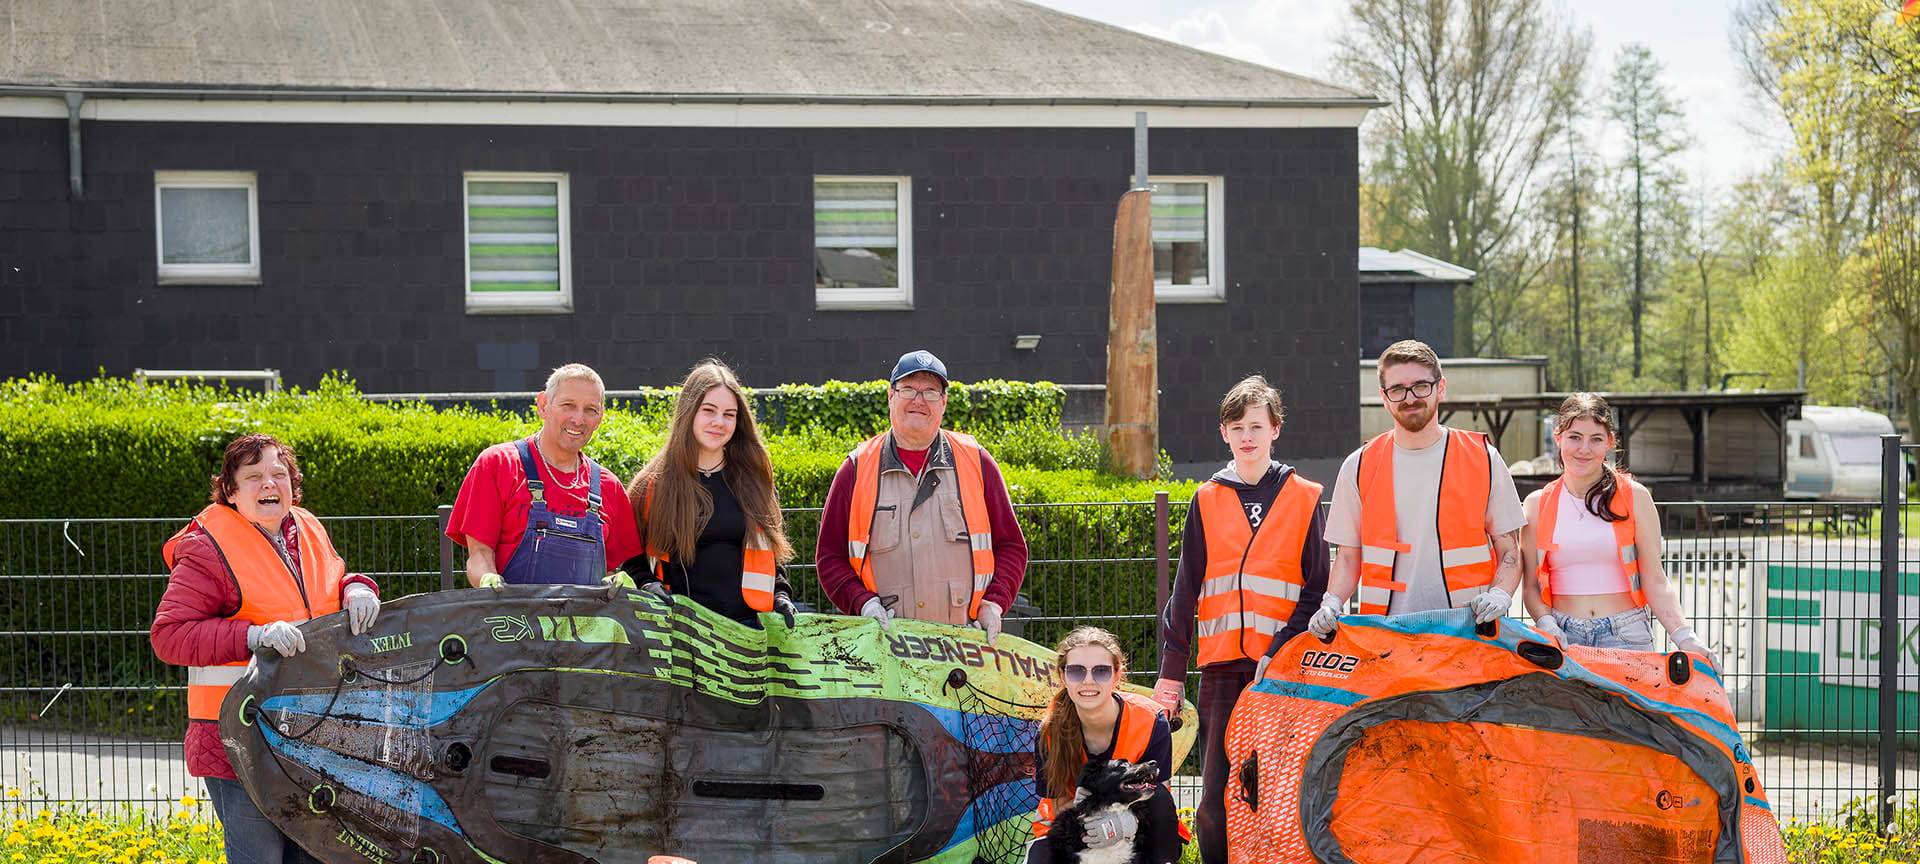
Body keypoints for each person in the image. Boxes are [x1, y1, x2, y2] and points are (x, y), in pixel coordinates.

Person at [150, 433, 381, 864]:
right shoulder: (207, 549)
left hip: (313, 734)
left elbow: (329, 585)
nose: (269, 484)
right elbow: (170, 635)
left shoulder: (306, 528)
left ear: (293, 485)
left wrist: (357, 588)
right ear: (231, 492)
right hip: (240, 737)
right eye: (253, 476)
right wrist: (253, 636)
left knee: (314, 856)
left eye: (279, 474)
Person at [1151, 375, 1327, 864]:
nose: (1247, 436)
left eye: (1256, 425)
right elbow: (1184, 590)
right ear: (1224, 434)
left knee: (1280, 788)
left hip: (1287, 669)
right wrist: (1170, 673)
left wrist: (1281, 647)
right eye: (1236, 426)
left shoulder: (1304, 495)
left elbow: (1316, 588)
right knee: (1215, 797)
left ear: (1275, 430)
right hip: (1223, 670)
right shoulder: (1206, 499)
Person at [1312, 340, 1526, 636]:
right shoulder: (1358, 466)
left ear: (1441, 388)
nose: (1409, 398)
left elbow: (1509, 550)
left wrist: (1500, 594)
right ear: (1384, 398)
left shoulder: (1483, 458)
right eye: (1397, 389)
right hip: (1386, 634)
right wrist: (1332, 602)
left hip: (1468, 631)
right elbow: (1348, 557)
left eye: (1420, 386)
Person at [816, 349, 1028, 640]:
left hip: (963, 642)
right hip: (886, 644)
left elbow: (1011, 546)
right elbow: (829, 556)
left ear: (944, 402)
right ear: (891, 396)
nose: (918, 400)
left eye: (930, 392)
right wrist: (862, 603)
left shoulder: (977, 462)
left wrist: (995, 602)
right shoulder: (856, 469)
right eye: (908, 389)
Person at [1521, 393, 1717, 663]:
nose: (1584, 449)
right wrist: (1546, 624)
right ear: (1558, 438)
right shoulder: (1536, 504)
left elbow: (1655, 579)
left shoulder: (1635, 497)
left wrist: (1684, 636)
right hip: (1563, 637)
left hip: (1626, 636)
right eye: (1575, 437)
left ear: (1610, 442)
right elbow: (1530, 587)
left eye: (1596, 439)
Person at [620, 359, 800, 628]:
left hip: (746, 629)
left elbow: (769, 554)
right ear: (689, 412)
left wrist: (781, 594)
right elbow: (629, 556)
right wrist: (647, 584)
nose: (719, 422)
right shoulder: (653, 484)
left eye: (729, 414)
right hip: (679, 631)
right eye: (709, 410)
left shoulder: (754, 479)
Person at [446, 363, 641, 586]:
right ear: (543, 405)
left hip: (584, 621)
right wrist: (486, 579)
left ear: (600, 417)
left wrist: (619, 580)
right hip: (513, 617)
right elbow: (479, 554)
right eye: (568, 405)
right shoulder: (498, 465)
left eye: (590, 410)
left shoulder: (609, 487)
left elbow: (615, 568)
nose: (578, 419)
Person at [1027, 626, 1182, 864]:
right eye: (1077, 671)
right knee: (1041, 856)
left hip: (1137, 825)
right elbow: (1058, 805)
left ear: (1117, 675)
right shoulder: (1049, 732)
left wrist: (1127, 823)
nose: (1088, 681)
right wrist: (1092, 818)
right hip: (1077, 826)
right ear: (1062, 676)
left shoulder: (1151, 720)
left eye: (1101, 671)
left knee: (1160, 797)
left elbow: (1157, 797)